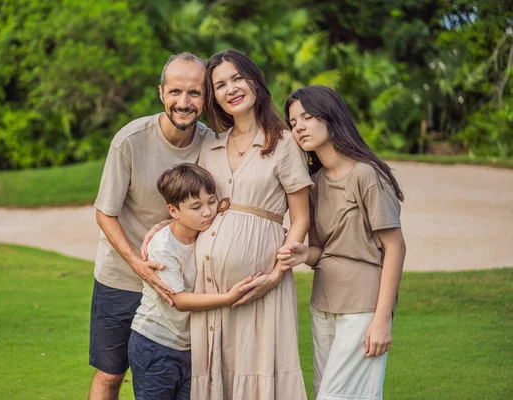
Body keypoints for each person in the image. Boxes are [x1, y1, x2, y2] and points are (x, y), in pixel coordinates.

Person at [88, 52, 211, 400]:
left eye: (194, 93)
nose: (184, 102)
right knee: (110, 376)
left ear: (205, 98)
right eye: (175, 92)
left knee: (182, 378)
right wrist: (138, 265)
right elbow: (104, 213)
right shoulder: (130, 140)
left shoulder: (212, 144)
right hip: (122, 278)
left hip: (180, 287)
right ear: (161, 93)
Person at [192, 49, 312, 399]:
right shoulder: (210, 146)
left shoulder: (285, 144)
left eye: (237, 78)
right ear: (214, 97)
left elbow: (300, 217)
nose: (230, 89)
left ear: (255, 81)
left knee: (259, 366)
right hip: (209, 285)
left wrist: (276, 273)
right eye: (219, 85)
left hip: (262, 283)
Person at [280, 85, 406, 400]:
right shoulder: (314, 184)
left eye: (307, 117)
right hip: (323, 304)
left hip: (362, 307)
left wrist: (381, 320)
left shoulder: (367, 174)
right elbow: (323, 250)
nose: (299, 127)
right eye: (293, 121)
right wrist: (302, 253)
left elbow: (395, 247)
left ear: (331, 117)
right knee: (325, 391)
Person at [129, 163, 258, 400]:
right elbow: (177, 300)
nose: (208, 212)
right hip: (156, 343)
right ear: (174, 210)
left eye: (211, 201)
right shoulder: (163, 246)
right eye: (196, 207)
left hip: (192, 346)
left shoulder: (208, 232)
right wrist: (228, 298)